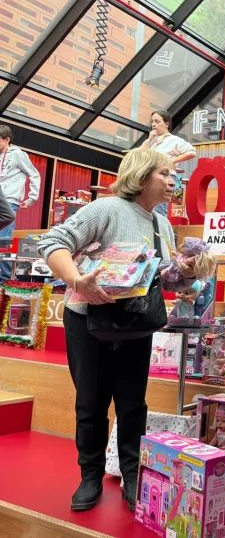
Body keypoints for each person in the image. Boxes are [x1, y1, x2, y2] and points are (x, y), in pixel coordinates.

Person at [38, 151, 198, 513]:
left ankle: (132, 475)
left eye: (174, 175)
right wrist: (78, 279)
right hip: (89, 321)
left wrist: (186, 273)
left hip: (135, 324)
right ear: (140, 176)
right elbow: (53, 242)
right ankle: (90, 476)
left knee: (133, 403)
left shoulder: (162, 224)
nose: (173, 181)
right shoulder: (105, 209)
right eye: (164, 173)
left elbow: (161, 280)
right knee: (90, 403)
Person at [0, 124, 41, 280]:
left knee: (3, 239)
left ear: (7, 139)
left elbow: (34, 174)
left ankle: (5, 278)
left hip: (9, 200)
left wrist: (32, 197)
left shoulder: (18, 154)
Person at [137, 110, 196, 217]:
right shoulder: (152, 140)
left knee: (158, 211)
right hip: (149, 177)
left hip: (165, 177)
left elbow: (191, 152)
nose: (153, 124)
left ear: (166, 124)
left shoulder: (173, 139)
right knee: (145, 210)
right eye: (152, 121)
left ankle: (159, 228)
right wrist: (149, 139)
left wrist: (172, 161)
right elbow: (139, 155)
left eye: (157, 121)